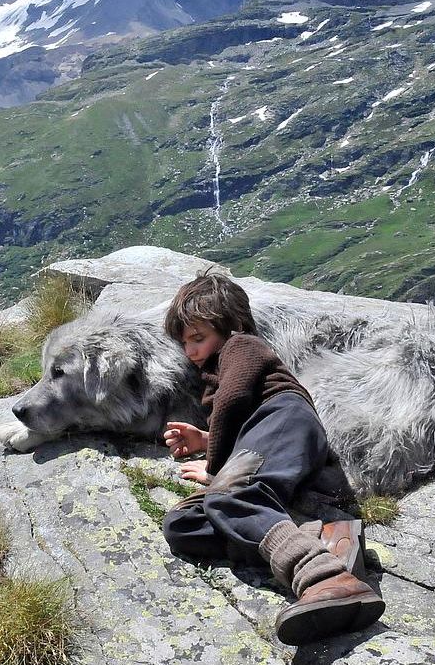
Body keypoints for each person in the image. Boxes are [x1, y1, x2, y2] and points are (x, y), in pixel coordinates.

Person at [160, 271, 385, 645]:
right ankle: (328, 540)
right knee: (184, 525)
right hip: (269, 434)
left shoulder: (241, 345)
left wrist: (215, 468)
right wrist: (204, 438)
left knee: (229, 496)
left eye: (199, 339)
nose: (191, 352)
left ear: (230, 327)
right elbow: (241, 428)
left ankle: (325, 579)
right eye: (185, 343)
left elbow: (233, 403)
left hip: (285, 418)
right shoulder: (219, 367)